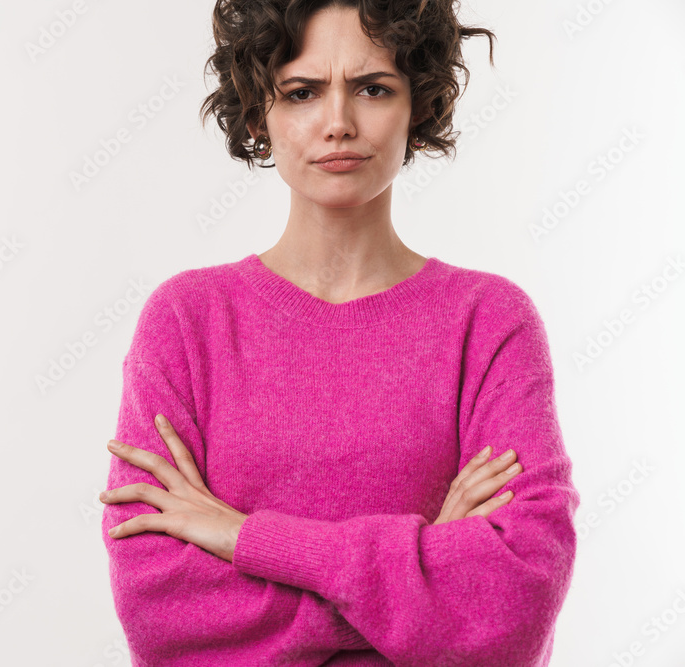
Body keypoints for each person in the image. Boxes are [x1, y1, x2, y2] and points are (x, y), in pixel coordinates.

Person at [100, 1, 580, 664]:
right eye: (302, 92)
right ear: (258, 114)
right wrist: (422, 582)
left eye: (373, 88)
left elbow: (512, 602)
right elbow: (163, 615)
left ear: (420, 107)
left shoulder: (489, 321)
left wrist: (244, 538)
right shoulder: (187, 321)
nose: (338, 123)